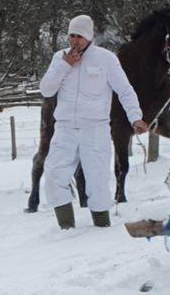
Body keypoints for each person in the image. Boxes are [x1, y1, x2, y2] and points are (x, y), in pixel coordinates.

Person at [39, 14, 148, 229]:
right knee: (53, 176)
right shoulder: (59, 57)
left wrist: (135, 117)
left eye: (79, 36)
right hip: (65, 129)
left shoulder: (106, 59)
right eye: (71, 35)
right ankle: (66, 229)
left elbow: (125, 91)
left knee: (97, 181)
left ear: (89, 36)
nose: (74, 40)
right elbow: (46, 89)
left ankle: (101, 228)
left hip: (95, 129)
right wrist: (64, 65)